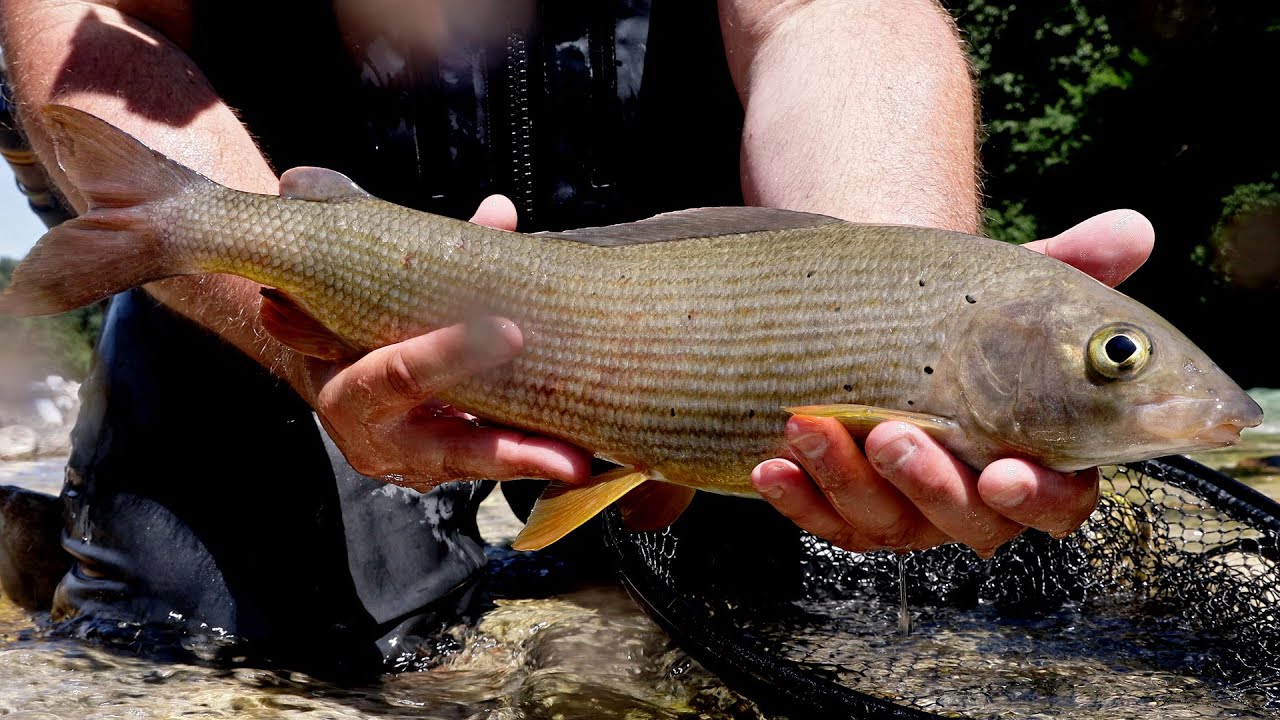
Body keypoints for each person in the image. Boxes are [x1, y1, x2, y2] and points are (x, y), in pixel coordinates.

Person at [0, 0, 1153, 675]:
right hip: (281, 218)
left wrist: (887, 300)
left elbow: (827, 8)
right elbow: (105, 14)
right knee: (200, 649)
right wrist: (296, 326)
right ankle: (44, 544)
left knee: (867, 617)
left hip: (698, 279)